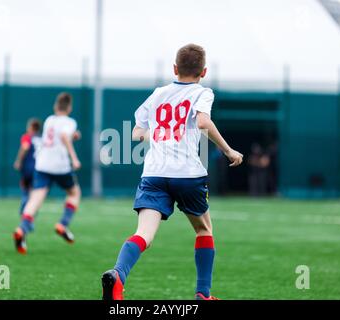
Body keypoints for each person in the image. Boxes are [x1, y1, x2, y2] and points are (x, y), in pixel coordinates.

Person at [101, 44, 243, 300]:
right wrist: (229, 150)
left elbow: (135, 133)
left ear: (175, 68)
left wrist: (155, 134)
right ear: (204, 71)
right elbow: (202, 122)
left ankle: (118, 276)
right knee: (203, 230)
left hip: (154, 174)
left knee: (143, 234)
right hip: (188, 174)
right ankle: (203, 294)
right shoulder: (203, 92)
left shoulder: (158, 94)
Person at [13, 92, 82, 254]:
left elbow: (57, 136)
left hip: (42, 163)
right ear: (69, 108)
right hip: (59, 165)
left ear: (55, 106)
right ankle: (63, 224)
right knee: (74, 192)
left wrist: (73, 136)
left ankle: (21, 229)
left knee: (36, 198)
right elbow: (64, 136)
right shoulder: (70, 121)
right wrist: (74, 157)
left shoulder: (50, 120)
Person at [13, 118, 42, 215]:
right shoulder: (41, 138)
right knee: (35, 191)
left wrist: (18, 161)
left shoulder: (27, 137)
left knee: (26, 189)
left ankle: (25, 211)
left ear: (31, 127)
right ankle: (32, 211)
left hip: (28, 168)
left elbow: (25, 147)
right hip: (40, 168)